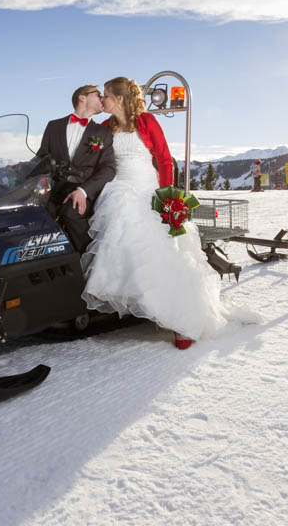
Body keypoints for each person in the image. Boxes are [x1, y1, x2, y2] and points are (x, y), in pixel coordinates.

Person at [82, 77, 257, 350]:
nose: (102, 100)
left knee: (164, 251)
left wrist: (166, 198)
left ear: (118, 99)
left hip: (148, 189)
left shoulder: (147, 121)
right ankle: (149, 304)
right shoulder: (105, 128)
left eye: (105, 95)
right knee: (126, 245)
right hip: (118, 190)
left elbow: (164, 160)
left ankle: (181, 320)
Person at [35, 84, 116, 253]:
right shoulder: (53, 126)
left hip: (83, 190)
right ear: (82, 97)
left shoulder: (104, 133)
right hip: (53, 189)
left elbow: (108, 169)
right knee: (35, 214)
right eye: (98, 94)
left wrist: (84, 191)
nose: (102, 98)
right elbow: (41, 158)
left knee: (70, 213)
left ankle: (89, 258)